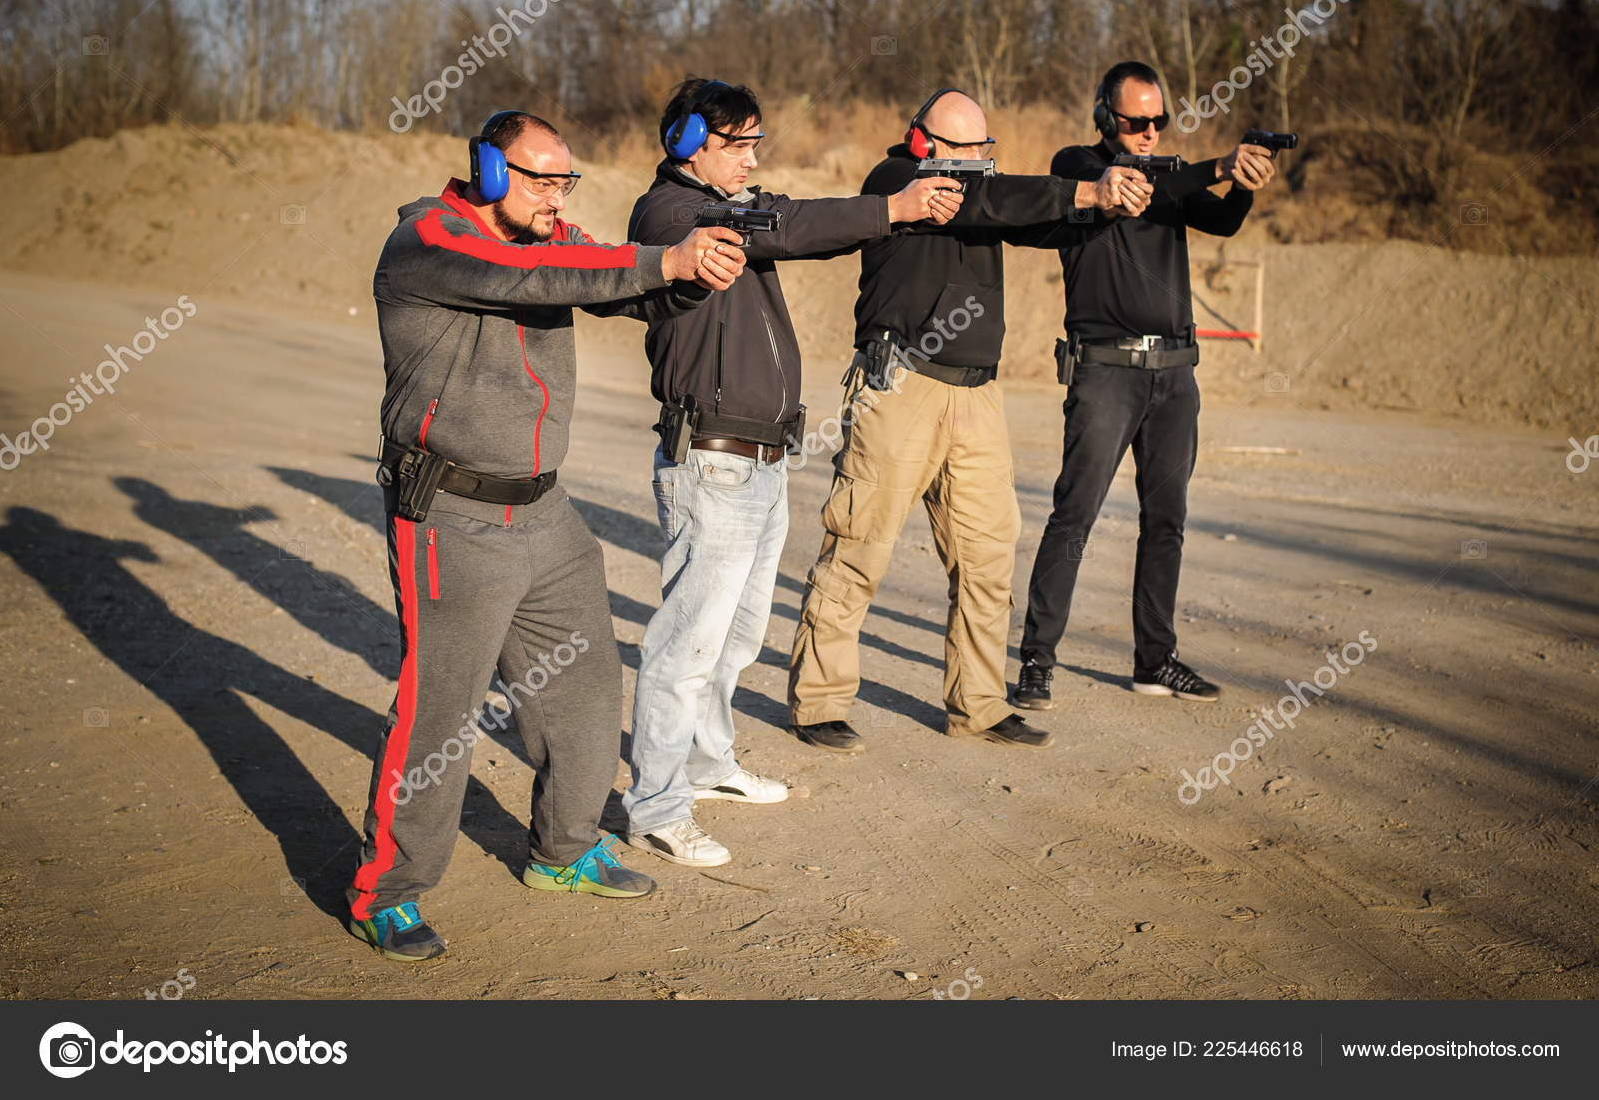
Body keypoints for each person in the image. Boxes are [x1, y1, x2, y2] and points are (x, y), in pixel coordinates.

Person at [347, 110, 747, 961]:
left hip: (545, 512)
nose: (553, 196)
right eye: (537, 178)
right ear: (489, 171)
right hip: (452, 513)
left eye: (564, 179)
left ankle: (563, 852)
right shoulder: (427, 237)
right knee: (439, 714)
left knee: (588, 690)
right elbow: (525, 277)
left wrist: (686, 275)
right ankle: (388, 889)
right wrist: (661, 258)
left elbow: (609, 278)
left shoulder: (550, 234)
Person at [620, 78, 962, 866]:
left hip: (763, 459)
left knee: (737, 637)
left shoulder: (730, 207)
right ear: (686, 144)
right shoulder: (671, 214)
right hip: (712, 460)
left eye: (754, 143)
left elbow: (792, 221)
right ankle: (655, 804)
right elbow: (794, 225)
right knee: (688, 645)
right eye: (734, 142)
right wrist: (895, 210)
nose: (749, 157)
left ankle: (706, 766)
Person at [787, 88, 1150, 755]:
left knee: (987, 557)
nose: (980, 161)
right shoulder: (896, 179)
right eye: (965, 149)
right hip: (900, 390)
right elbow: (991, 199)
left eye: (985, 149)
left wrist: (1102, 207)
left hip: (977, 398)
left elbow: (1028, 216)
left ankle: (979, 704)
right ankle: (818, 701)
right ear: (922, 142)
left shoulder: (979, 190)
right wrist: (1086, 192)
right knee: (859, 545)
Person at [1011, 61, 1277, 712]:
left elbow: (1222, 223)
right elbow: (1129, 183)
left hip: (1174, 377)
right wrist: (1219, 163)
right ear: (1107, 117)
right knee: (1074, 515)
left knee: (1168, 522)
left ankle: (1154, 661)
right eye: (1137, 120)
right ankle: (1037, 661)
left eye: (1159, 119)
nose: (1151, 130)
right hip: (1105, 373)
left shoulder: (1172, 178)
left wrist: (1240, 182)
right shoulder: (1078, 165)